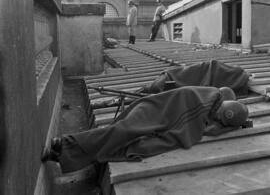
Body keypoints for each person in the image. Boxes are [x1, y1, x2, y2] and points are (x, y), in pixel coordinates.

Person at [42, 86, 249, 173]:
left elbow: (204, 127)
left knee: (119, 142)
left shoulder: (210, 105)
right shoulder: (205, 100)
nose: (215, 121)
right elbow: (190, 129)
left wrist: (229, 126)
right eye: (219, 118)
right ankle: (65, 143)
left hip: (156, 117)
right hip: (151, 112)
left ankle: (60, 154)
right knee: (121, 133)